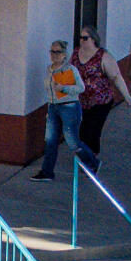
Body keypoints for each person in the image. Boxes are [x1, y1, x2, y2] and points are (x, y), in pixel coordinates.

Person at [72, 28, 129, 168]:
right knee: (83, 131)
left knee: (92, 129)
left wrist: (127, 96)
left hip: (101, 102)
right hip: (82, 101)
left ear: (93, 39)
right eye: (80, 37)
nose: (82, 40)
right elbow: (70, 74)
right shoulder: (75, 54)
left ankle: (92, 160)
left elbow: (116, 77)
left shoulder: (103, 56)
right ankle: (88, 157)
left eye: (85, 38)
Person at [30, 39, 82, 179]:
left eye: (58, 52)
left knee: (72, 140)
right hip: (53, 107)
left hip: (69, 106)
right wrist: (50, 109)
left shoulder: (70, 69)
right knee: (50, 140)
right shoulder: (49, 69)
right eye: (52, 52)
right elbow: (50, 91)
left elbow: (81, 88)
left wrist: (63, 88)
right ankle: (47, 172)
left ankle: (92, 163)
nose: (54, 55)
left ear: (64, 54)